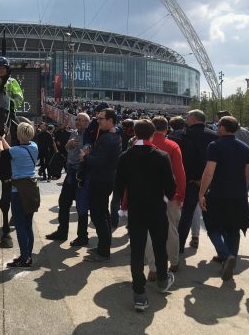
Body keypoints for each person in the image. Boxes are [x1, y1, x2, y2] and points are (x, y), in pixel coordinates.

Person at [115, 119, 176, 311]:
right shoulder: (162, 155)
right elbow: (171, 187)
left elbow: (118, 186)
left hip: (136, 209)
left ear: (134, 133)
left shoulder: (125, 156)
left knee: (137, 250)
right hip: (157, 209)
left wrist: (119, 206)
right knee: (159, 246)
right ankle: (162, 279)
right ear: (152, 134)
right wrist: (165, 199)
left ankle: (139, 293)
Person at [199, 116, 249, 281]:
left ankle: (225, 254)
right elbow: (247, 173)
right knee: (233, 229)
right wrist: (244, 190)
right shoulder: (245, 148)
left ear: (222, 127)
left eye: (218, 125)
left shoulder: (214, 146)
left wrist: (201, 193)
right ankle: (231, 260)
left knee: (213, 226)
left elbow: (209, 172)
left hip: (218, 194)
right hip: (238, 195)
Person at [217, 110, 249, 253]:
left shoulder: (225, 136)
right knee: (240, 206)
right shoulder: (245, 132)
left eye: (219, 123)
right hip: (245, 175)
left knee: (235, 209)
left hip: (230, 178)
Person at [0, 122, 38, 267]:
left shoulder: (17, 150)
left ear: (18, 135)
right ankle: (28, 255)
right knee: (28, 225)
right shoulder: (34, 147)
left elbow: (1, 152)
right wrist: (3, 138)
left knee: (20, 226)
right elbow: (12, 150)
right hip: (31, 190)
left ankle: (24, 259)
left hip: (18, 193)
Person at [145, 116, 186, 281]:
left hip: (146, 194)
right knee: (171, 230)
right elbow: (179, 173)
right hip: (170, 195)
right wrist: (181, 194)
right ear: (167, 129)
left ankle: (153, 268)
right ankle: (174, 262)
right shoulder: (172, 146)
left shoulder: (139, 144)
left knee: (148, 231)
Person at [80, 108, 122, 262]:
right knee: (102, 214)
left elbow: (99, 161)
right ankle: (103, 246)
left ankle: (104, 252)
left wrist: (86, 156)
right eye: (97, 118)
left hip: (101, 180)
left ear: (110, 120)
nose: (97, 121)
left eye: (100, 119)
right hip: (105, 180)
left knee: (99, 216)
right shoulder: (113, 134)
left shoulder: (109, 138)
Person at [46, 113, 90, 243]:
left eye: (81, 120)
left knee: (81, 207)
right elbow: (67, 149)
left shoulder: (90, 135)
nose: (77, 122)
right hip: (70, 173)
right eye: (76, 119)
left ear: (87, 122)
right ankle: (62, 232)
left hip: (82, 175)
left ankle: (82, 236)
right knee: (64, 203)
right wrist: (68, 144)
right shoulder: (73, 133)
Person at [178, 109, 218, 253]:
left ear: (194, 119)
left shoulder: (185, 135)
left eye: (188, 117)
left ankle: (179, 247)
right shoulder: (214, 136)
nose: (186, 120)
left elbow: (184, 160)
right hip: (212, 182)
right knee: (214, 217)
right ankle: (223, 251)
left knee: (186, 215)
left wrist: (192, 179)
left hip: (192, 182)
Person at [0, 56, 24, 146]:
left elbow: (19, 98)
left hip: (9, 112)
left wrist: (9, 103)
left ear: (7, 69)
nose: (1, 70)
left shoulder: (12, 82)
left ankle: (18, 148)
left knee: (19, 130)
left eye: (3, 68)